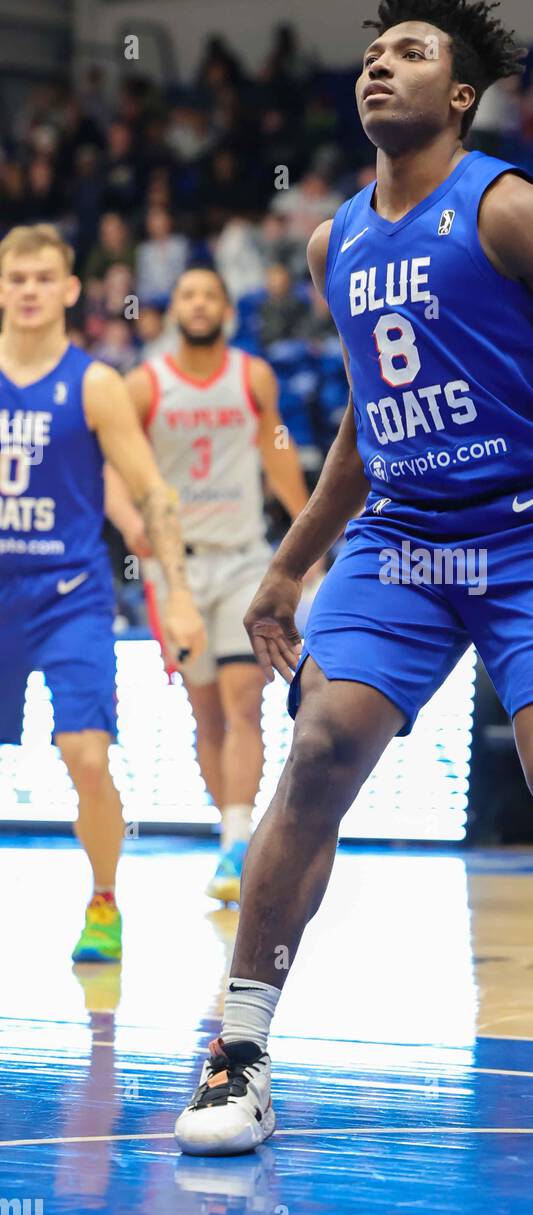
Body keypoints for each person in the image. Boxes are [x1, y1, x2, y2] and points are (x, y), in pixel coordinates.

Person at [173, 0, 533, 1156]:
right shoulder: (335, 238)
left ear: (461, 94)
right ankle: (236, 1047)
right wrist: (288, 569)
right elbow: (356, 424)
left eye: (410, 52)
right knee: (323, 744)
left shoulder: (513, 212)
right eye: (372, 51)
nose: (379, 65)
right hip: (401, 534)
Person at [0, 223, 205, 962]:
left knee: (85, 754)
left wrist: (176, 593)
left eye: (41, 278)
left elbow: (153, 494)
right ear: (2, 288)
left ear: (68, 289)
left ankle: (103, 900)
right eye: (16, 277)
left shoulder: (93, 384)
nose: (28, 290)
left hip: (68, 593)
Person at [105, 267, 310, 902]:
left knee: (244, 701)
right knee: (207, 713)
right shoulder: (143, 385)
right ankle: (229, 829)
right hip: (178, 567)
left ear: (225, 308)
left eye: (210, 295)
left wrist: (309, 530)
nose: (198, 304)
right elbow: (113, 464)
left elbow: (276, 448)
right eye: (187, 294)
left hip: (245, 557)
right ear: (175, 312)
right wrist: (131, 521)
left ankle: (236, 848)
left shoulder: (252, 375)